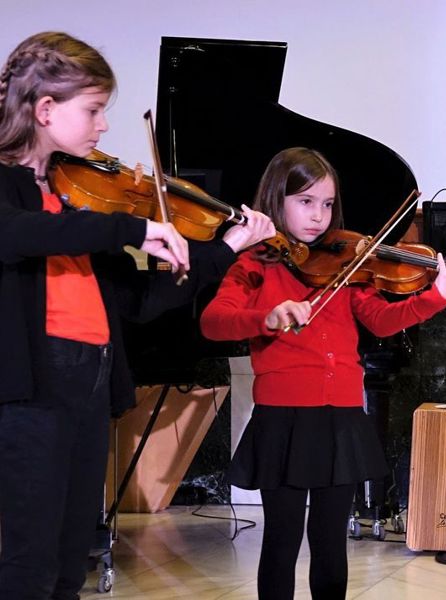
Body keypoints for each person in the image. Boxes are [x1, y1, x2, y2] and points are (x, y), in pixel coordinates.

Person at [0, 31, 275, 599]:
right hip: (31, 398)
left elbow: (141, 300)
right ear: (45, 109)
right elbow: (18, 234)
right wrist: (135, 228)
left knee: (71, 555)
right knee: (29, 561)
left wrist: (225, 249)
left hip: (88, 388)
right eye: (94, 110)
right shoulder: (14, 192)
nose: (103, 127)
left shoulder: (71, 195)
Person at [199, 147, 446, 599]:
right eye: (305, 202)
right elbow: (213, 320)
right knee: (282, 542)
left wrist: (438, 295)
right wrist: (266, 317)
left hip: (342, 416)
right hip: (283, 419)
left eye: (327, 204)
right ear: (276, 200)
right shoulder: (253, 266)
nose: (318, 216)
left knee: (331, 544)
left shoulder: (347, 267)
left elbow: (382, 319)